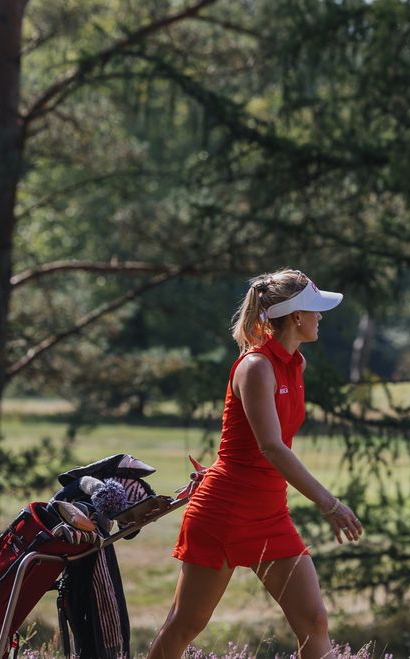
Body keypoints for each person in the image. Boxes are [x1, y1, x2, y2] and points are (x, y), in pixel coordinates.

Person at [148, 269, 364, 659]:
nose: (321, 317)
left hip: (269, 513)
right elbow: (273, 447)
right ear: (296, 316)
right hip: (225, 511)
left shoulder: (294, 364)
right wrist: (330, 504)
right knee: (185, 625)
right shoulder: (256, 367)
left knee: (314, 622)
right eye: (315, 310)